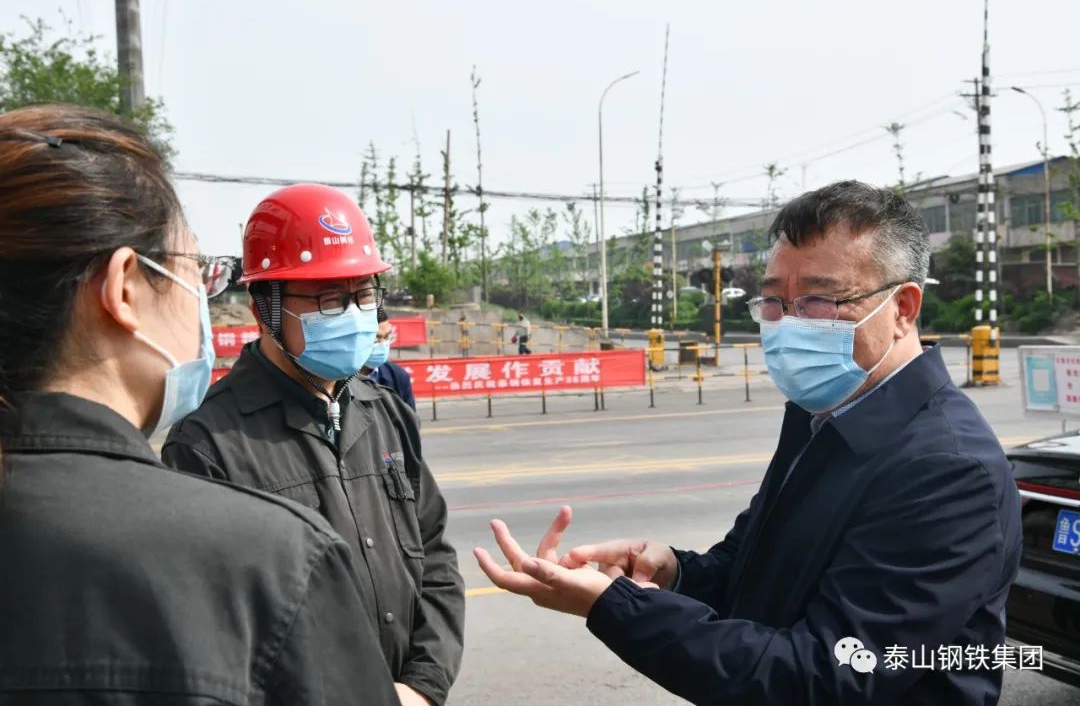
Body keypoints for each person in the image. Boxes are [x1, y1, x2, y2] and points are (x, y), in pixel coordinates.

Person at [474, 181, 1022, 705]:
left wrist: (617, 609)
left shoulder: (947, 470)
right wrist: (673, 572)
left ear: (902, 309)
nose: (788, 325)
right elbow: (752, 570)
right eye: (774, 302)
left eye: (819, 301)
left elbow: (825, 677)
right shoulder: (823, 418)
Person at [0, 105, 397, 704]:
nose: (201, 299)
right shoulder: (273, 559)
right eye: (196, 271)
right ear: (125, 288)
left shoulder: (380, 411)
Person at [162, 184, 464, 706]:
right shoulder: (208, 444)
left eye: (363, 294)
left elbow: (434, 555)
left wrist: (422, 684)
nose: (354, 315)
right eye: (329, 299)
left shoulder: (385, 411)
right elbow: (209, 632)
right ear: (265, 307)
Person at [367, 310, 417, 410]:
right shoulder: (340, 380)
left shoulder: (398, 376)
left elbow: (410, 418)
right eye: (376, 339)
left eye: (387, 337)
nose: (383, 344)